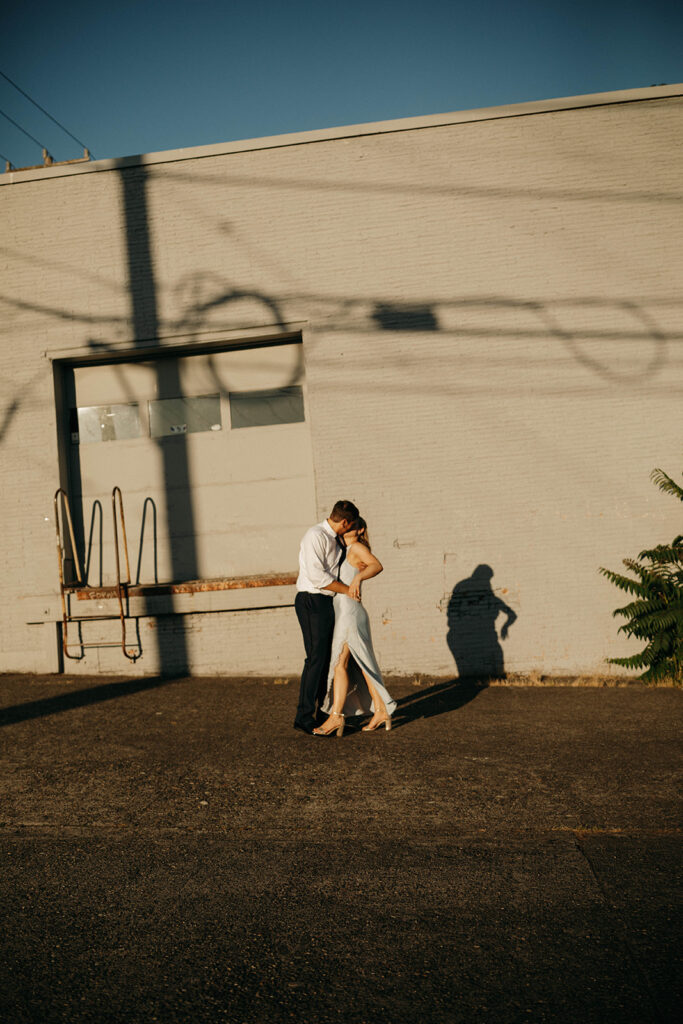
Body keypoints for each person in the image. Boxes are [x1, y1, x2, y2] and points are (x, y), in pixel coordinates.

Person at [314, 518, 397, 736]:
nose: (346, 528)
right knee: (361, 664)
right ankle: (380, 711)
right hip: (344, 612)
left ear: (359, 530)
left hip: (350, 613)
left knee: (340, 663)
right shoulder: (342, 549)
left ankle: (335, 717)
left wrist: (358, 578)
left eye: (351, 526)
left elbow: (377, 565)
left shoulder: (357, 547)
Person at [293, 499, 360, 734]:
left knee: (327, 659)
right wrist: (349, 589)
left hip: (326, 602)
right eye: (350, 526)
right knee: (315, 659)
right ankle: (303, 717)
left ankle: (322, 712)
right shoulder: (315, 536)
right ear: (344, 521)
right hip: (311, 601)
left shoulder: (335, 540)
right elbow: (317, 577)